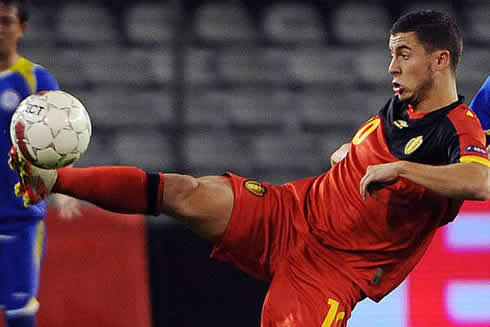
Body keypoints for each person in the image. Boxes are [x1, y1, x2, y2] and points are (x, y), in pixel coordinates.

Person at [8, 10, 490, 327]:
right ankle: (52, 179)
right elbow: (380, 148)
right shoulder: (405, 103)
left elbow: (478, 181)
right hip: (291, 211)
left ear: (440, 60)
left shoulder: (459, 128)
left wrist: (400, 171)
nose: (392, 67)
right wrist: (352, 152)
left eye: (403, 55)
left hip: (329, 272)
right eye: (391, 54)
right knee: (184, 191)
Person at [0, 1, 80, 326]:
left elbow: (62, 135)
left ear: (22, 28)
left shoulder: (35, 79)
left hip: (21, 215)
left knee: (20, 310)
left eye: (6, 21)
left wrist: (67, 184)